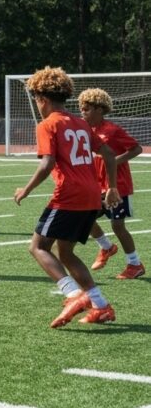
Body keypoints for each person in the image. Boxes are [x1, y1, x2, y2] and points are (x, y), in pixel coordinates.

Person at [14, 67, 120, 328]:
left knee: (37, 247)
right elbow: (107, 153)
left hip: (69, 195)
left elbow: (47, 163)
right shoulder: (81, 123)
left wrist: (25, 190)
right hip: (92, 195)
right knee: (67, 253)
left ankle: (73, 295)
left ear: (42, 99)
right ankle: (101, 306)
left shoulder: (48, 124)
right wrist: (113, 187)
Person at [78, 88, 145, 279]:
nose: (83, 112)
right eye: (82, 109)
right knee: (84, 217)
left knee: (117, 225)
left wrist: (114, 161)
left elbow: (136, 148)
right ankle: (106, 247)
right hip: (96, 185)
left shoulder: (112, 130)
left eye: (87, 109)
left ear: (100, 109)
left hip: (118, 186)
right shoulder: (85, 131)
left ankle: (134, 264)